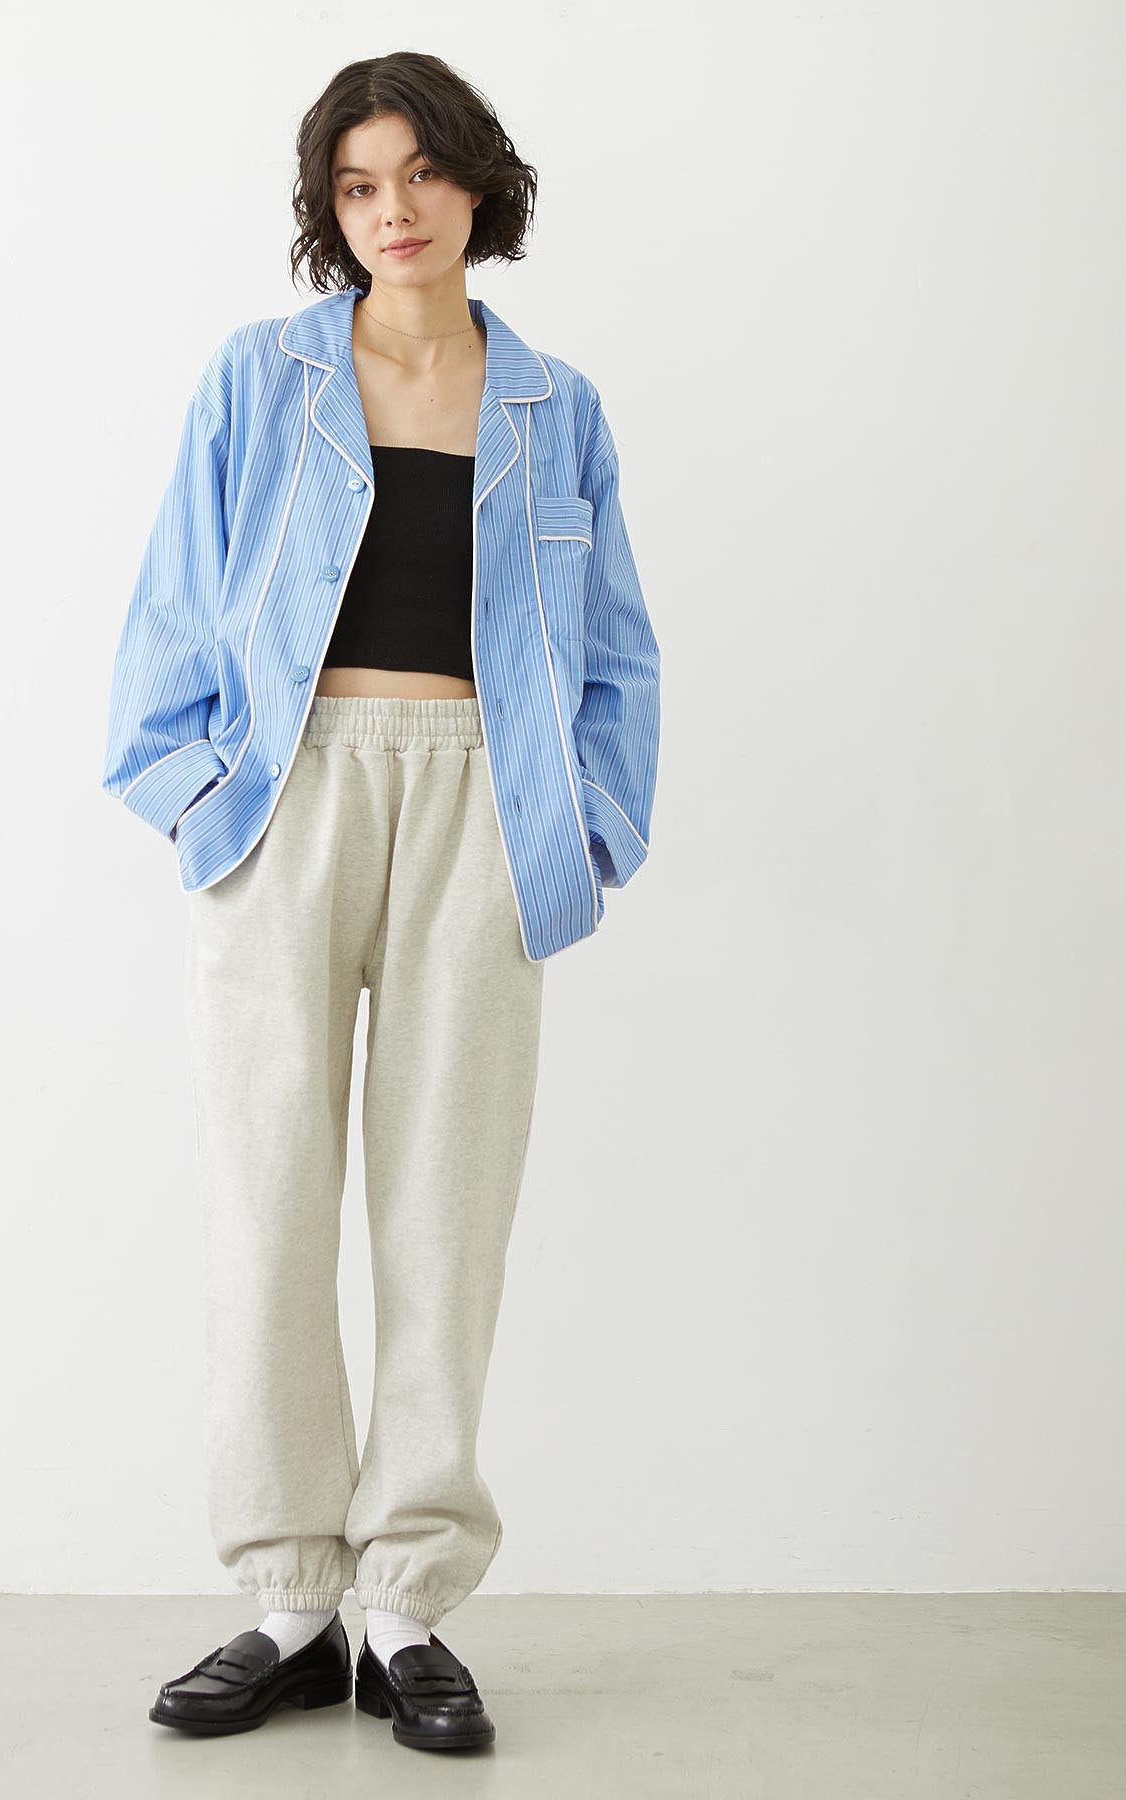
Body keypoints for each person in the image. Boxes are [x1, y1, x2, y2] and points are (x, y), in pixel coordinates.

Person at [102, 51, 661, 1754]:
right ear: (326, 210)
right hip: (287, 800)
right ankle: (289, 1597)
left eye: (420, 173)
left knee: (445, 1209)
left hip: (484, 797)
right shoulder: (258, 380)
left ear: (479, 183)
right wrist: (195, 795)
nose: (393, 210)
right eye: (356, 186)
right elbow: (173, 605)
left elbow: (617, 649)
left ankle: (406, 1604)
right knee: (268, 1195)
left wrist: (590, 826)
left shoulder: (555, 407)